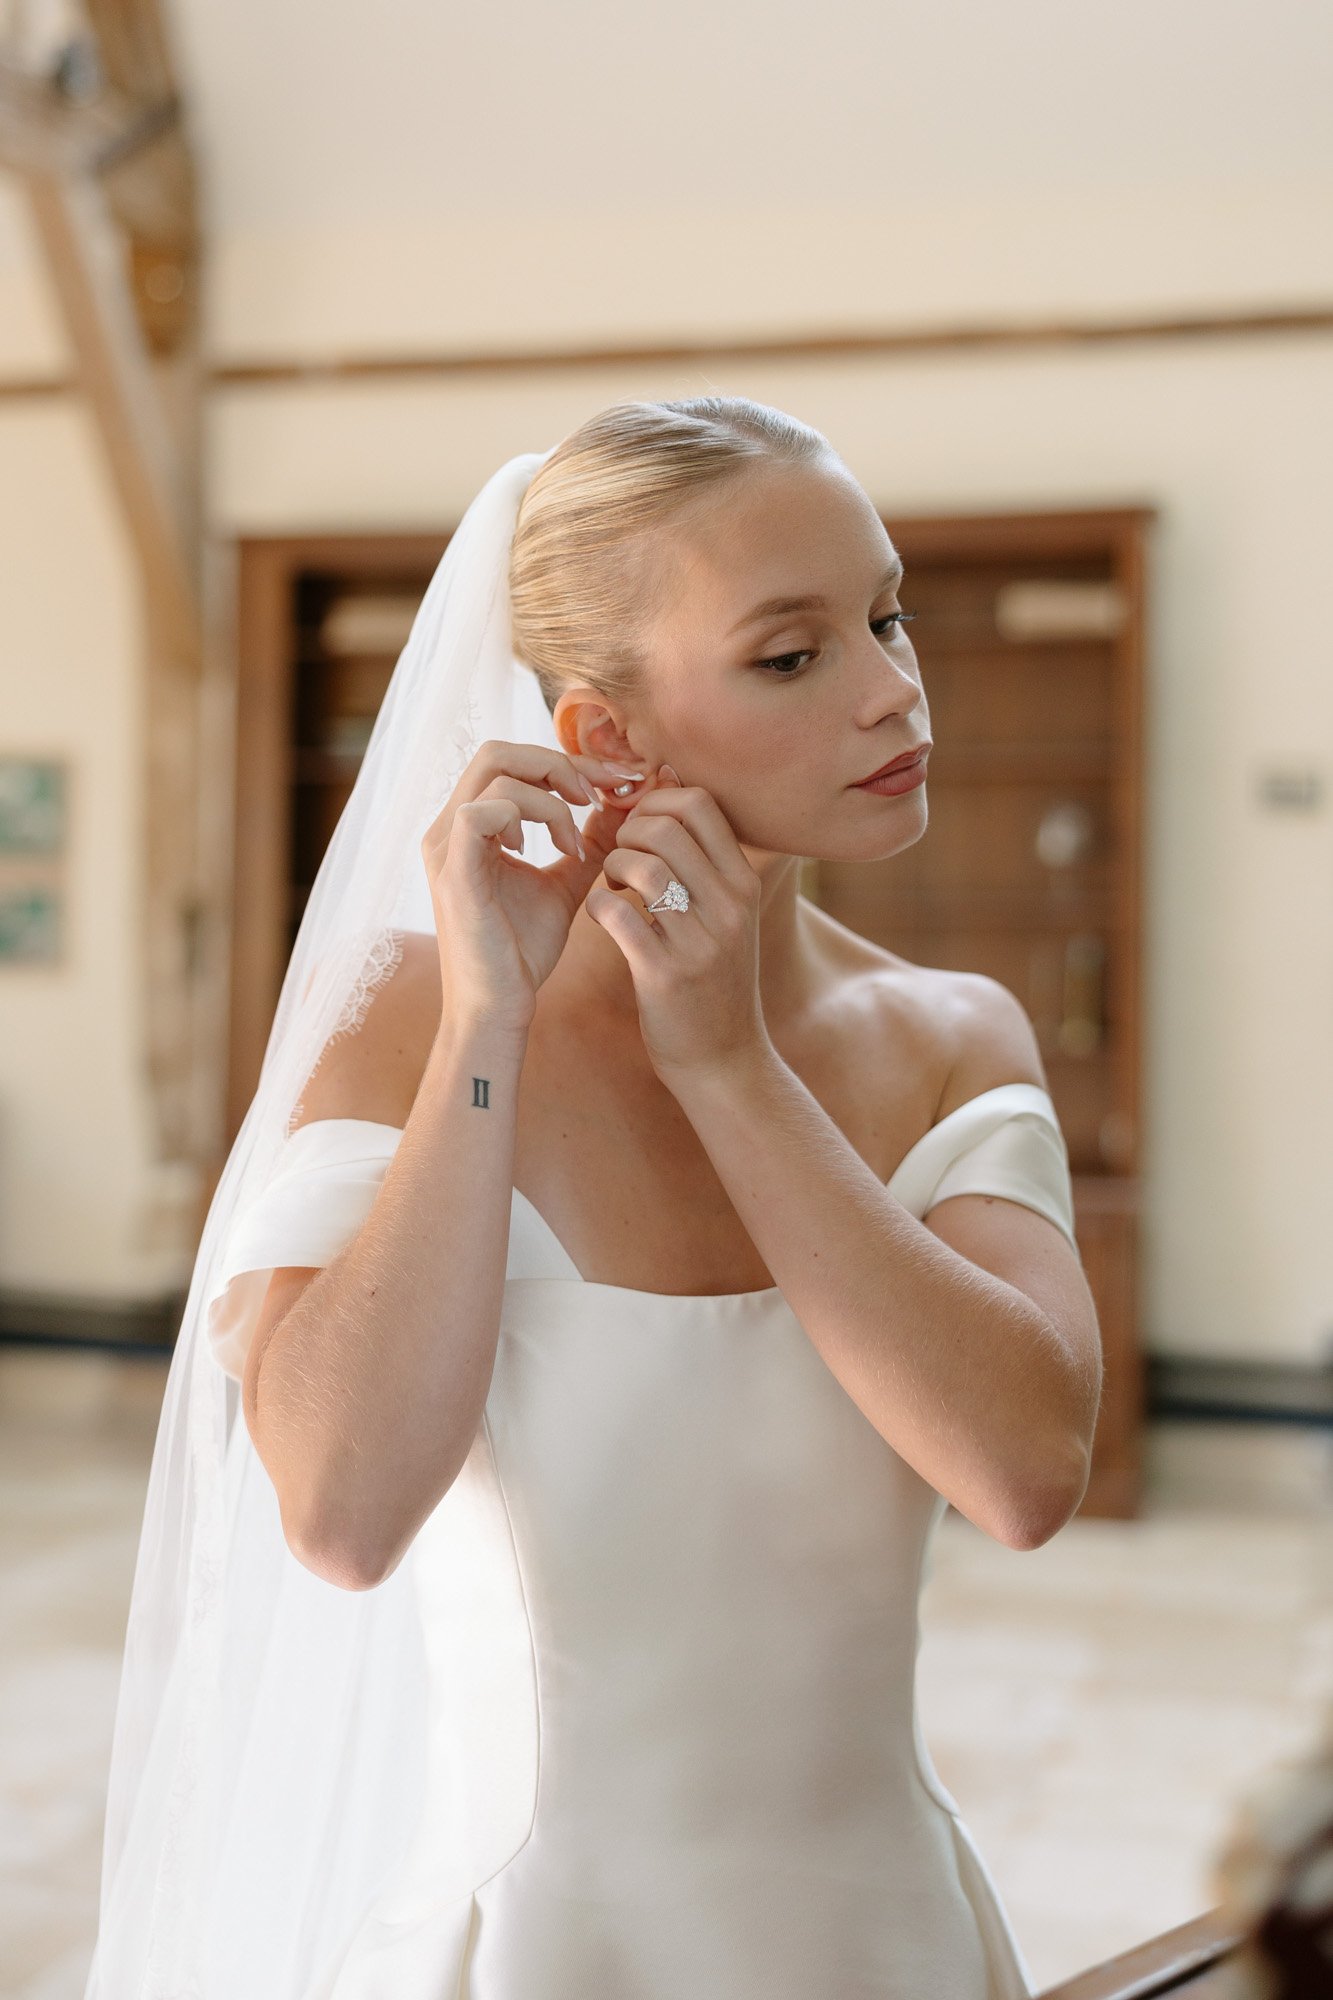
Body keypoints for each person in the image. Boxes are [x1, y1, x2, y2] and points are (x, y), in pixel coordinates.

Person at [85, 396, 1102, 1999]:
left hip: (884, 1939)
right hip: (538, 1952)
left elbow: (1025, 1471)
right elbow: (341, 1514)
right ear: (608, 740)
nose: (894, 686)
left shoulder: (948, 1034)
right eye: (792, 655)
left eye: (886, 615)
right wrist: (487, 1024)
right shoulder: (402, 1015)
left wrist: (730, 1066)